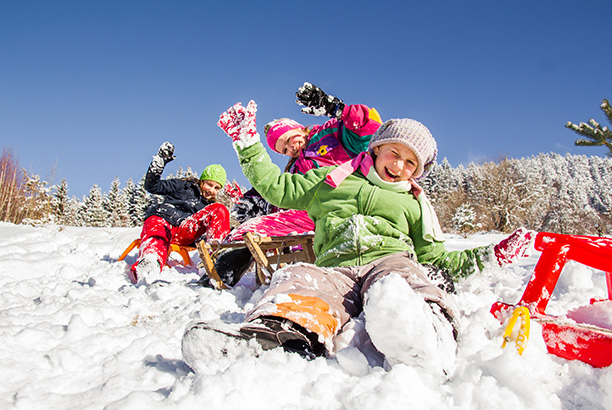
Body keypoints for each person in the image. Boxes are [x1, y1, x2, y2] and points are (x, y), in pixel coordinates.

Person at [182, 102, 535, 376]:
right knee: (299, 278)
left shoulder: (413, 202)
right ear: (378, 149)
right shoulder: (332, 179)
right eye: (394, 153)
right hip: (337, 265)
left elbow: (436, 259)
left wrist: (493, 255)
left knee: (403, 282)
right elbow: (277, 187)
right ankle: (271, 336)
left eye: (410, 163)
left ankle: (425, 335)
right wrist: (248, 143)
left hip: (390, 260)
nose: (399, 166)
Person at [207, 83, 383, 288]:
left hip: (346, 206)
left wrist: (337, 109)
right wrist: (255, 199)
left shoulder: (329, 133)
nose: (291, 148)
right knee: (251, 229)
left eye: (288, 139)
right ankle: (218, 275)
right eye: (284, 150)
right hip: (310, 216)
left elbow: (369, 130)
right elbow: (284, 193)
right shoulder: (294, 169)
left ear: (299, 128)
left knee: (257, 229)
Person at [129, 142, 231, 285]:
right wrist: (159, 163)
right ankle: (150, 262)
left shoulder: (209, 207)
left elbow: (207, 232)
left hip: (185, 230)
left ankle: (212, 262)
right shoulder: (184, 185)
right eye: (209, 184)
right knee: (157, 233)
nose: (211, 190)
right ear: (201, 181)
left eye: (216, 188)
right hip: (163, 219)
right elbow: (152, 186)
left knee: (220, 209)